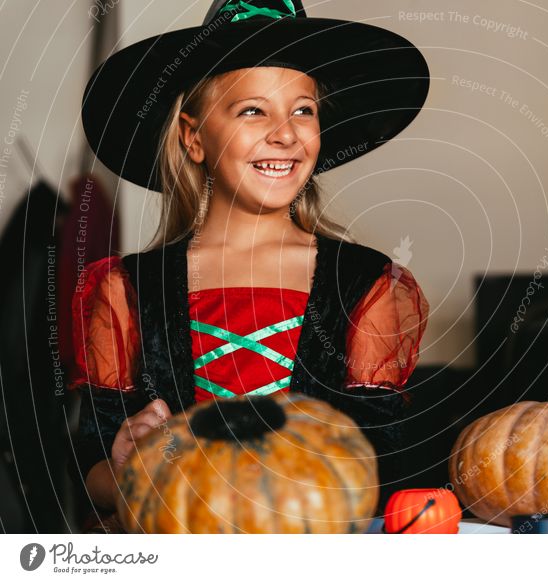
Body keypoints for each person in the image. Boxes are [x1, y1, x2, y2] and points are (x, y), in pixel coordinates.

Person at [70, 0, 431, 529]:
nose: (285, 133)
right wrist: (127, 462)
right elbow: (93, 476)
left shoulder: (366, 285)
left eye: (303, 110)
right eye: (252, 110)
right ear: (193, 137)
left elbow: (382, 471)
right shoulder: (124, 291)